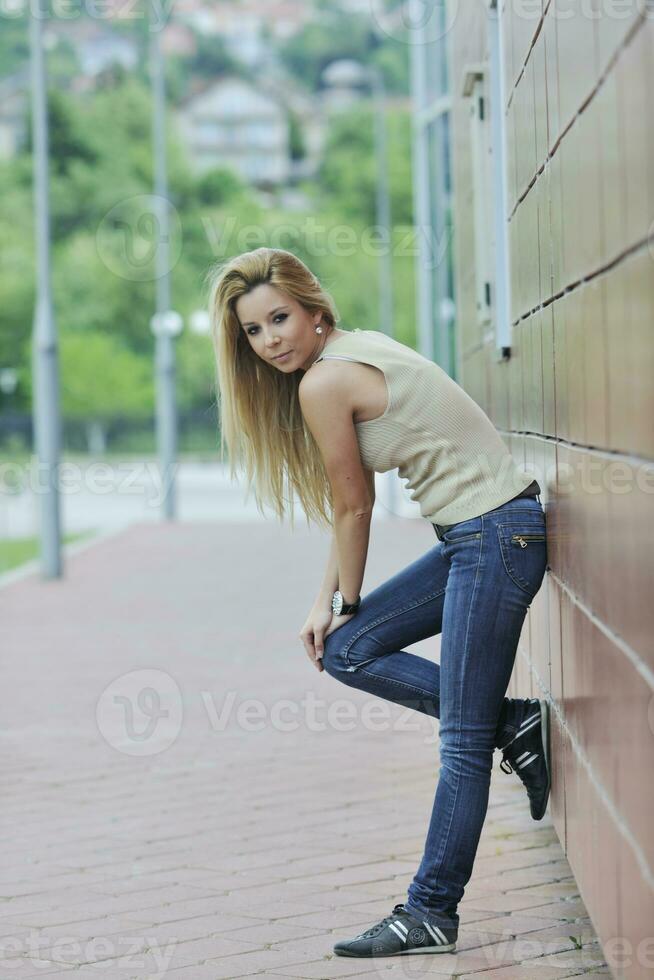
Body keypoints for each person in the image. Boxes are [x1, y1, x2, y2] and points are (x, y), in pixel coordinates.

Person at [207, 246, 550, 959]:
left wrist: (350, 594)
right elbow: (347, 505)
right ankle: (513, 724)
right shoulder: (349, 354)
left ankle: (430, 912)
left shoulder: (325, 381)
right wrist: (324, 604)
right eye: (254, 331)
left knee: (459, 741)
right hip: (480, 535)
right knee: (348, 648)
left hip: (494, 538)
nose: (271, 340)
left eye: (280, 319)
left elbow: (354, 504)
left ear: (313, 310)